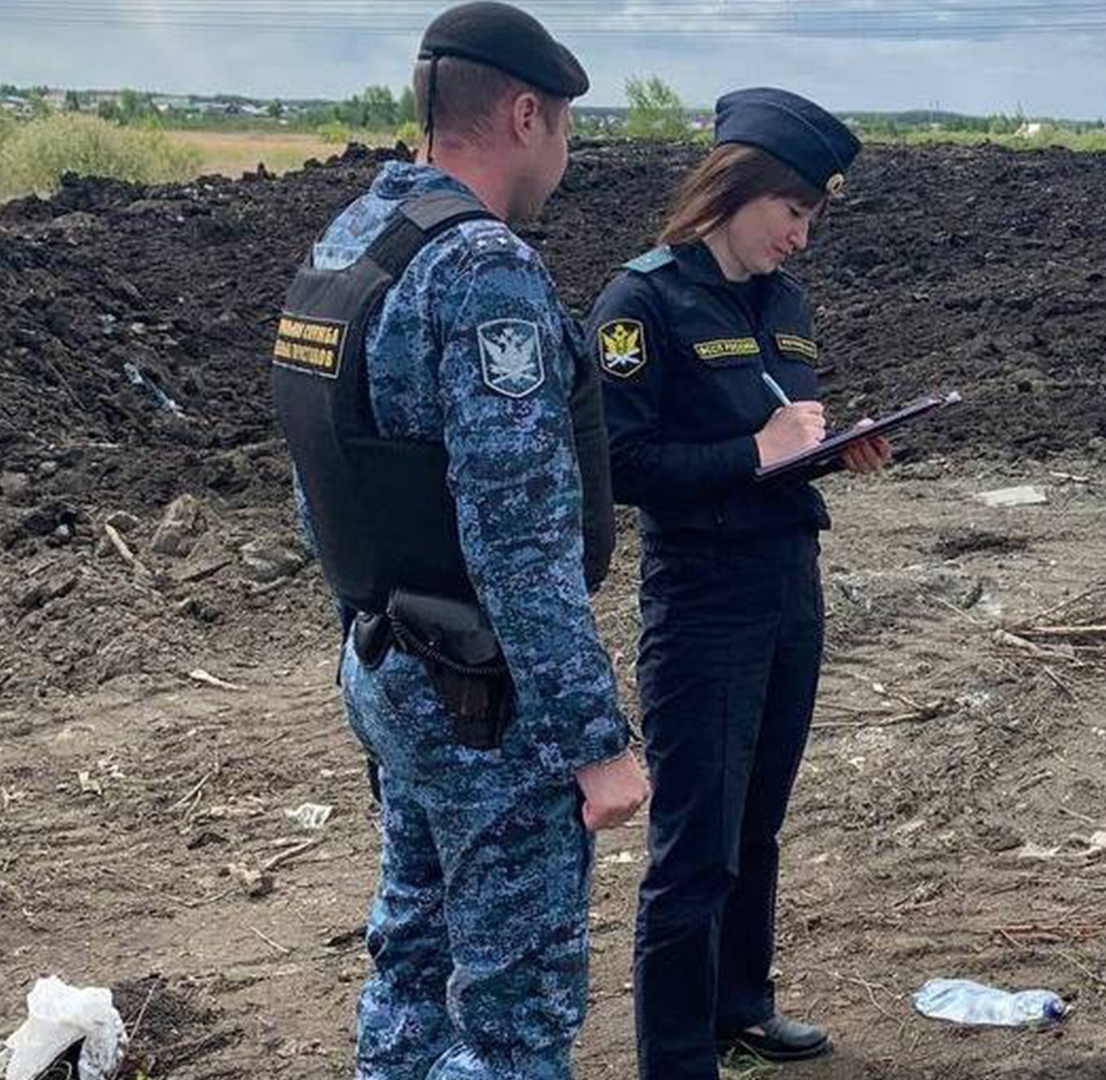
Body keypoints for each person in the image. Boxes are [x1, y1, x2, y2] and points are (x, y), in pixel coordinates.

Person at [269, 4, 647, 1078]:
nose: (565, 159)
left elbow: (323, 481)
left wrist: (371, 639)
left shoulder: (355, 243)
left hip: (391, 660)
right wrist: (596, 738)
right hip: (489, 698)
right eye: (565, 130)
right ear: (525, 114)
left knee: (413, 957)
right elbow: (518, 535)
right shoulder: (482, 270)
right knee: (513, 1020)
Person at [588, 87, 891, 1079]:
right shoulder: (642, 304)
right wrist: (752, 453)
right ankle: (676, 1057)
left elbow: (781, 439)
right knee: (697, 845)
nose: (801, 237)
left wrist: (830, 448)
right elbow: (624, 467)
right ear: (737, 187)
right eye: (792, 213)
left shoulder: (783, 303)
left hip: (786, 581)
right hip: (704, 595)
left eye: (811, 220)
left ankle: (739, 1007)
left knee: (758, 816)